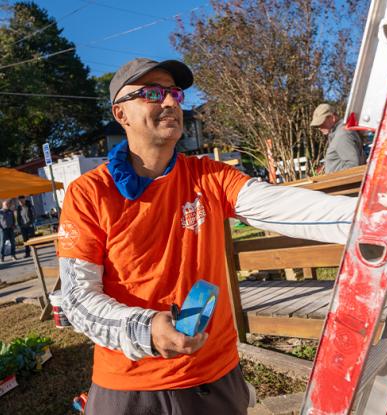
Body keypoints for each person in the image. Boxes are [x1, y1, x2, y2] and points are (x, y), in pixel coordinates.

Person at [58, 58, 357, 415]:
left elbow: (283, 206)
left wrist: (375, 218)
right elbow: (77, 299)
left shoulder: (207, 176)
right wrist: (146, 329)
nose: (169, 102)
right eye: (152, 93)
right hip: (130, 387)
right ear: (120, 114)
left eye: (174, 93)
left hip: (214, 378)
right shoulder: (89, 192)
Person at [310, 103, 366, 173]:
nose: (319, 128)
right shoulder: (337, 134)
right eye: (317, 126)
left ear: (332, 118)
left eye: (321, 123)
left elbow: (353, 165)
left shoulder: (342, 135)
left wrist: (331, 175)